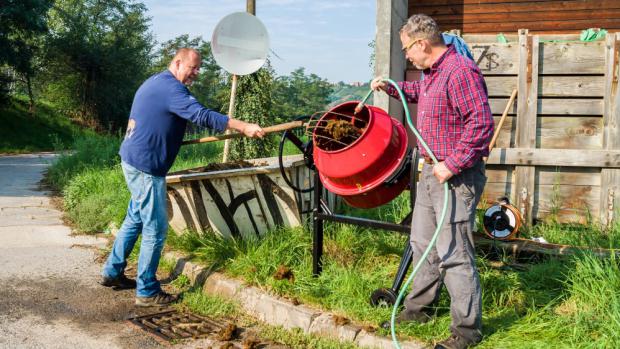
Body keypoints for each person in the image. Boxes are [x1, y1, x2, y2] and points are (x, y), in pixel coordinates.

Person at [99, 48, 265, 307]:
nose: (196, 74)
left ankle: (112, 272)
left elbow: (174, 116)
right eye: (193, 68)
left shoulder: (156, 82)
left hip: (133, 158)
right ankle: (147, 291)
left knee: (135, 218)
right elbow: (201, 115)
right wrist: (243, 126)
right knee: (156, 227)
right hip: (146, 166)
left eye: (199, 69)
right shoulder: (171, 89)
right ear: (177, 63)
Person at [372, 14, 493, 349]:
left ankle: (467, 331)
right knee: (423, 245)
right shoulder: (430, 74)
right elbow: (420, 95)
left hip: (454, 177)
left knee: (454, 252)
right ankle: (418, 310)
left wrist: (452, 165)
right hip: (429, 172)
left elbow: (481, 125)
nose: (406, 56)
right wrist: (391, 87)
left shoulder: (460, 71)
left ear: (421, 43)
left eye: (406, 49)